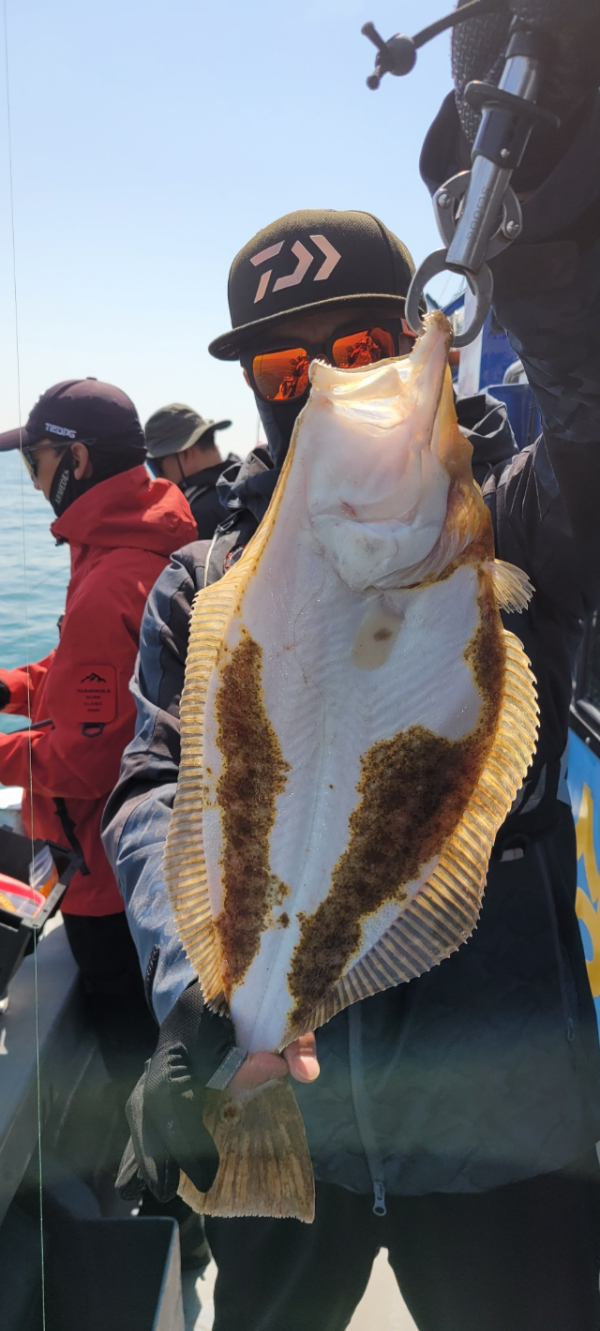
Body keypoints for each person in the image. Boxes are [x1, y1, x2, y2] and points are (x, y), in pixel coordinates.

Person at [103, 21, 600, 1316]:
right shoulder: (201, 585)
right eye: (286, 369)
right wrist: (195, 994)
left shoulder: (507, 522)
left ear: (425, 336)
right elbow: (152, 788)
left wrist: (551, 234)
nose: (324, 384)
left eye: (362, 353)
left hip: (504, 1126)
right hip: (294, 1131)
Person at [0, 378, 196, 1099]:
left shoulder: (111, 575)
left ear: (76, 461)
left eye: (36, 462)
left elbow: (86, 760)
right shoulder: (138, 546)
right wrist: (12, 688)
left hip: (106, 880)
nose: (32, 481)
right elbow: (93, 674)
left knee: (136, 1065)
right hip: (151, 864)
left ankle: (160, 1160)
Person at [145, 403, 237, 539]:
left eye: (156, 465)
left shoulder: (194, 517)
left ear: (186, 454)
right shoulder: (247, 483)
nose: (158, 477)